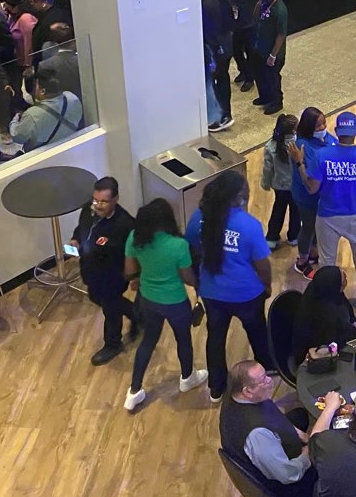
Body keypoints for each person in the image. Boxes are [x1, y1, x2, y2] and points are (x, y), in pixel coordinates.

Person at [184, 171, 272, 401]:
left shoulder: (199, 218)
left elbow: (191, 248)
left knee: (215, 337)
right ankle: (268, 369)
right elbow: (262, 264)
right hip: (247, 293)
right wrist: (267, 285)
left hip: (212, 292)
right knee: (257, 333)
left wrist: (198, 280)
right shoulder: (249, 225)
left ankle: (216, 387)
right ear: (238, 197)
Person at [220, 359, 340, 497]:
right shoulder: (258, 435)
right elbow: (288, 474)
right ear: (247, 391)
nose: (270, 381)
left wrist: (303, 436)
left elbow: (272, 416)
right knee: (337, 456)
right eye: (263, 380)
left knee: (300, 416)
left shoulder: (236, 397)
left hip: (274, 452)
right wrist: (308, 452)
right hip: (291, 488)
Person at [291, 111, 356, 307]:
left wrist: (300, 164)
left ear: (336, 130)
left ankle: (328, 295)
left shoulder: (321, 156)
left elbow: (312, 187)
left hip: (328, 216)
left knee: (327, 259)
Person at [124, 198, 206, 411]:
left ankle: (134, 391)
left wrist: (141, 277)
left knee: (148, 342)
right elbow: (187, 277)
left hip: (148, 298)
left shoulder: (134, 238)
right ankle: (187, 378)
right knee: (183, 339)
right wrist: (199, 286)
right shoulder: (178, 245)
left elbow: (129, 271)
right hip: (175, 301)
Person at [70, 177, 138, 366]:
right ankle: (136, 313)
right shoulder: (88, 209)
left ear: (115, 199)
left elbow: (135, 252)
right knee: (95, 297)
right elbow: (81, 228)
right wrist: (76, 239)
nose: (98, 205)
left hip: (112, 277)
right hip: (90, 270)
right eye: (96, 200)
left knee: (111, 309)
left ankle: (113, 344)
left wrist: (134, 276)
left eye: (104, 201)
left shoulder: (125, 225)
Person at [290, 266, 356, 369]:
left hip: (338, 332)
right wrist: (355, 331)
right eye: (343, 280)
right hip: (318, 356)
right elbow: (335, 339)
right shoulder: (326, 314)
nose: (346, 279)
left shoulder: (320, 289)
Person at [290, 107, 335, 279]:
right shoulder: (302, 146)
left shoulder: (327, 138)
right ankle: (302, 262)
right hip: (306, 196)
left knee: (317, 224)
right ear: (309, 127)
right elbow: (308, 179)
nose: (323, 127)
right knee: (308, 226)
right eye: (318, 125)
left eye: (324, 123)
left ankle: (314, 251)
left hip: (322, 195)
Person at [10, 72, 83, 153]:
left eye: (36, 86)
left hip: (44, 154)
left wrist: (14, 120)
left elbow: (18, 137)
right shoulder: (72, 97)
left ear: (42, 91)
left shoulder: (32, 115)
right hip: (70, 147)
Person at [202, 0, 234, 132]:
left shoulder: (209, 4)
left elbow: (209, 32)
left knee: (216, 82)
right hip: (226, 46)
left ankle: (221, 116)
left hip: (217, 50)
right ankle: (225, 113)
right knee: (223, 79)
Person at [260, 113, 299, 249]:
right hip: (296, 186)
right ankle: (294, 237)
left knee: (278, 210)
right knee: (296, 212)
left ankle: (272, 237)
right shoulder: (299, 144)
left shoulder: (270, 145)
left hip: (279, 186)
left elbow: (268, 168)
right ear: (294, 130)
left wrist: (265, 183)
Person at [251, 0, 288, 116]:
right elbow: (255, 19)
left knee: (272, 78)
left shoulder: (280, 10)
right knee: (259, 74)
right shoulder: (264, 4)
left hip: (273, 53)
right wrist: (258, 5)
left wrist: (273, 55)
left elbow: (281, 34)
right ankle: (265, 96)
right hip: (260, 48)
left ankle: (277, 102)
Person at [225, 0, 262, 90]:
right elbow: (227, 0)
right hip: (236, 25)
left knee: (250, 53)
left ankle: (250, 78)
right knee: (236, 51)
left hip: (251, 26)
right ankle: (243, 71)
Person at [26, 0, 73, 67]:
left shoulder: (52, 20)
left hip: (51, 65)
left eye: (36, 0)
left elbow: (51, 48)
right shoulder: (45, 16)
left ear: (44, 2)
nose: (32, 3)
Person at [2, 0, 39, 85]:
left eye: (8, 6)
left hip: (27, 62)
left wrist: (28, 65)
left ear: (16, 7)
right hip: (18, 59)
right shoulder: (13, 17)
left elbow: (29, 43)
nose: (5, 8)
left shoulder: (26, 19)